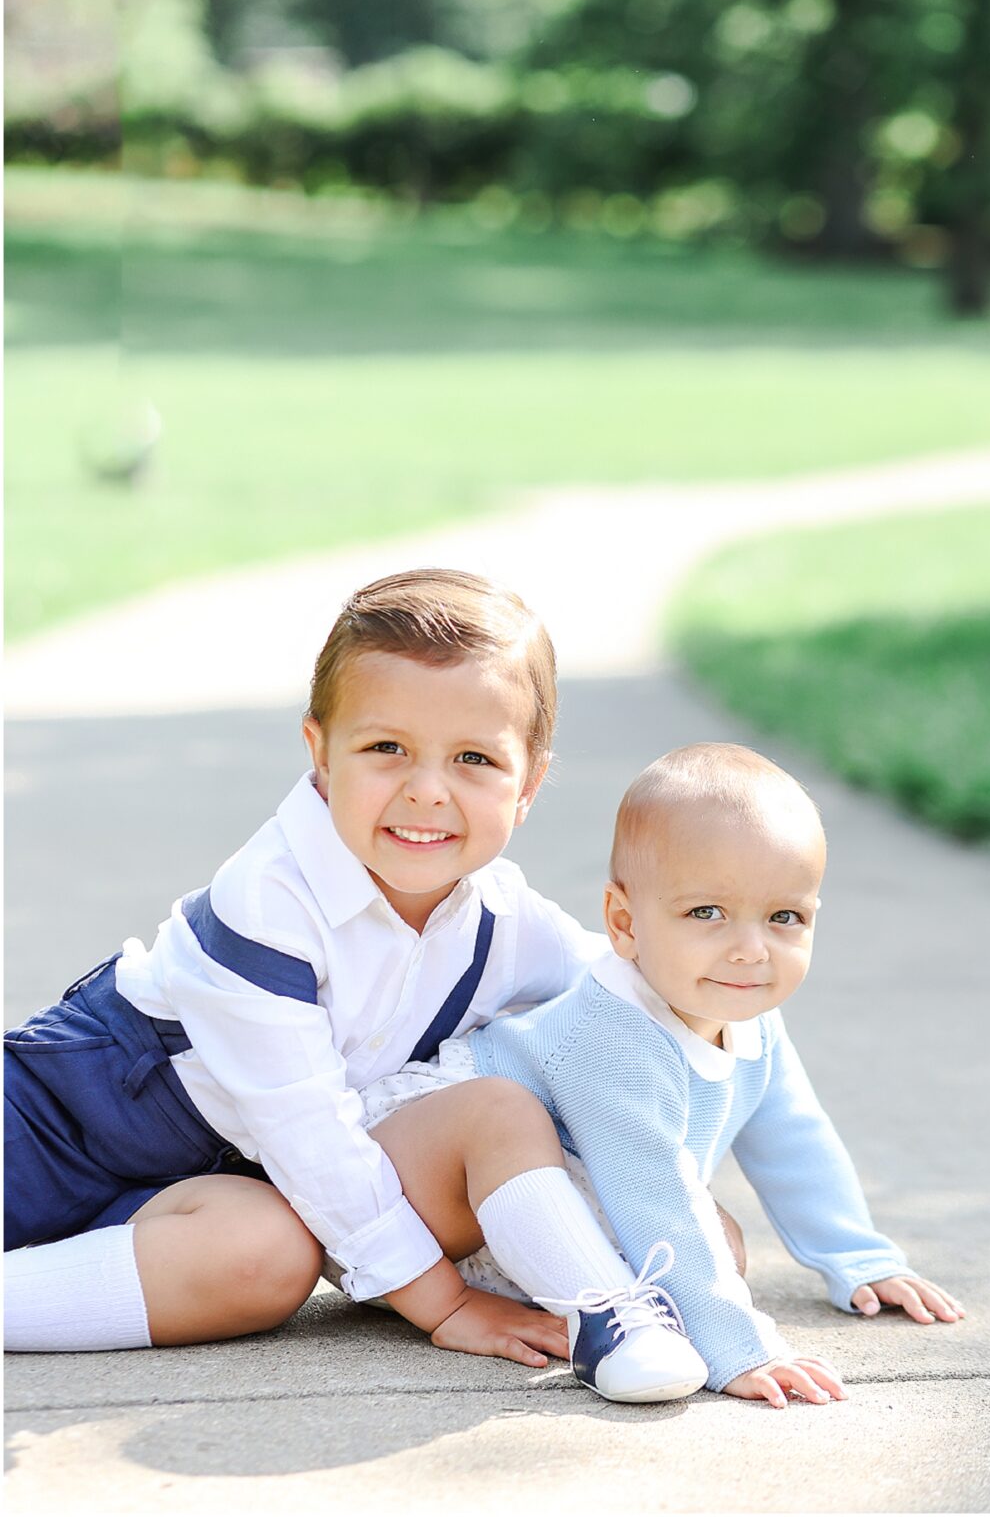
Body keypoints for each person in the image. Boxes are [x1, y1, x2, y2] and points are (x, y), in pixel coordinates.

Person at [4, 569, 709, 1403]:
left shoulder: (503, 925)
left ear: (527, 787)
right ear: (320, 754)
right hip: (58, 1122)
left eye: (474, 759)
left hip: (192, 1196)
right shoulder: (267, 898)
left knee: (267, 1262)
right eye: (386, 749)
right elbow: (308, 1134)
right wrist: (441, 1302)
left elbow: (639, 991)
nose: (426, 789)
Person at [361, 742, 965, 1408]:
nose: (749, 949)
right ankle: (572, 1311)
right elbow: (650, 1191)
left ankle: (563, 1295)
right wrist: (735, 1347)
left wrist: (858, 1257)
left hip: (554, 1188)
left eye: (782, 917)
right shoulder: (615, 1031)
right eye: (705, 913)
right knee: (665, 1234)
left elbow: (793, 1137)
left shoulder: (751, 1020)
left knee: (720, 1248)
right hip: (424, 1171)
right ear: (623, 923)